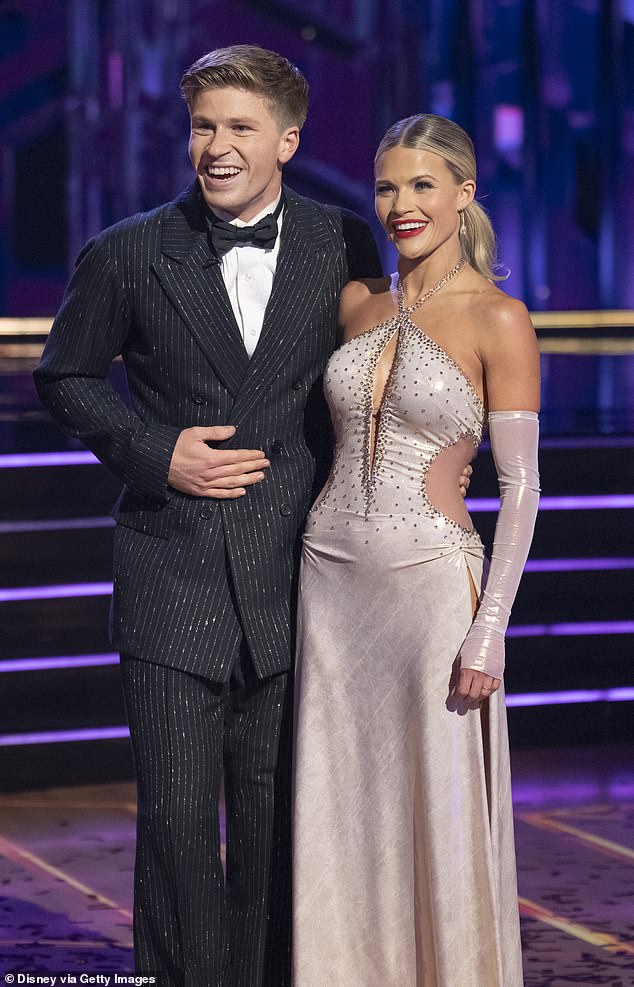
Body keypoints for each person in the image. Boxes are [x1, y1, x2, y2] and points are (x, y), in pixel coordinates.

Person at [34, 46, 473, 987]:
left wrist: (446, 459)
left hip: (301, 579)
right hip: (171, 573)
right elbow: (65, 374)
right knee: (177, 825)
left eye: (240, 127)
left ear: (288, 140)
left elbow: (391, 365)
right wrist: (155, 449)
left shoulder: (340, 241)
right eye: (203, 126)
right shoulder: (128, 250)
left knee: (281, 825)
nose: (218, 146)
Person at [292, 113, 540, 987]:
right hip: (328, 582)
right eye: (388, 186)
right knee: (340, 804)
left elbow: (521, 487)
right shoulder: (356, 303)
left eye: (423, 185)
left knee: (435, 806)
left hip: (433, 590)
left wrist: (490, 628)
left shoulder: (499, 318)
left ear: (464, 193)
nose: (401, 203)